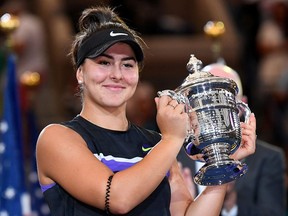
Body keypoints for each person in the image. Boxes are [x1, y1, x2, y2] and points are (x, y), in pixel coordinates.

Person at [35, 6, 256, 215]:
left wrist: (223, 166)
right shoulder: (57, 138)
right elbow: (118, 198)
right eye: (104, 62)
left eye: (127, 65)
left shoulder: (157, 144)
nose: (117, 74)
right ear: (80, 73)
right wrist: (171, 139)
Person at [177, 63, 286, 216]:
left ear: (242, 104)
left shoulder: (268, 158)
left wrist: (230, 204)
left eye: (224, 97)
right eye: (206, 98)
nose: (214, 107)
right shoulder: (174, 158)